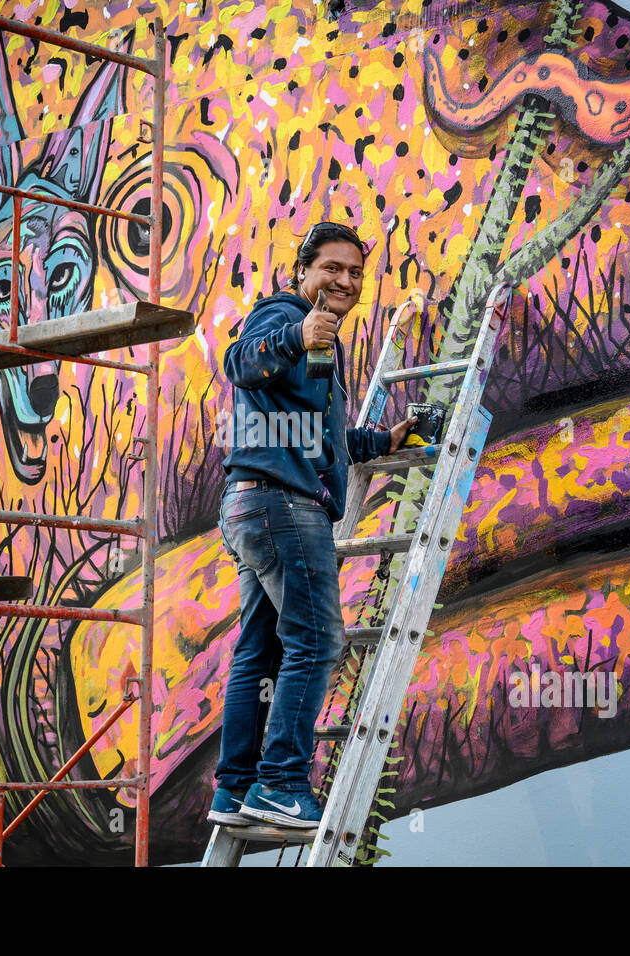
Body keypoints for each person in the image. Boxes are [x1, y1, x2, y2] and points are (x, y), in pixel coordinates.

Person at [209, 221, 415, 829]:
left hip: (255, 505)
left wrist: (378, 439)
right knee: (319, 642)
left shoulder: (322, 347)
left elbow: (309, 440)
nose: (345, 281)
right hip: (283, 510)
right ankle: (280, 783)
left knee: (259, 651)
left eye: (354, 273)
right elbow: (239, 363)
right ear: (303, 271)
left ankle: (236, 789)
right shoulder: (280, 314)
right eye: (332, 268)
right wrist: (297, 333)